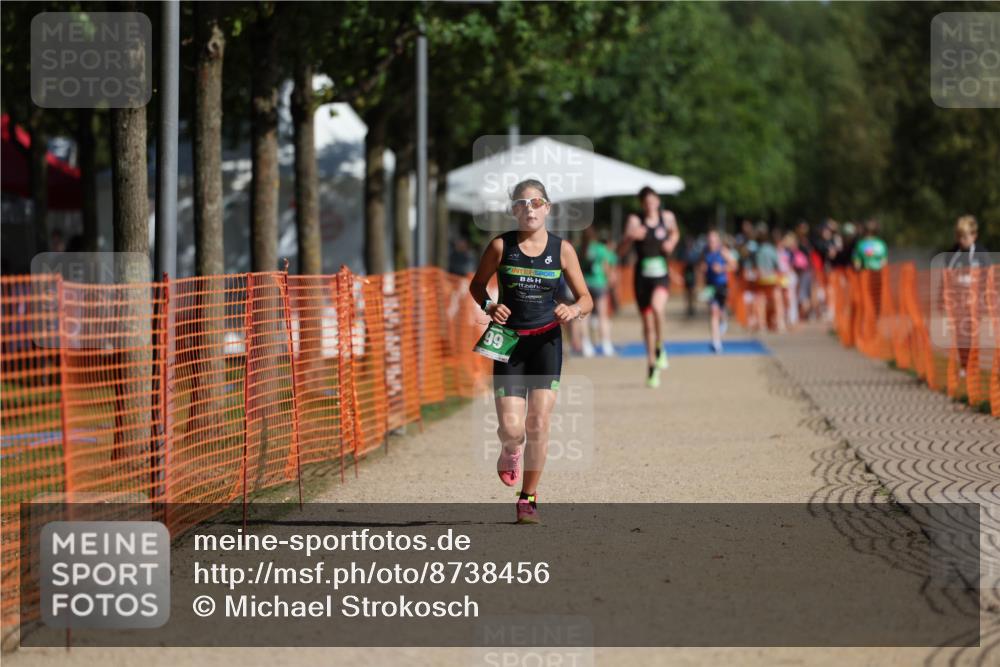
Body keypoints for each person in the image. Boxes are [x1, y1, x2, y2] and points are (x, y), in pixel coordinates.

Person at [469, 179, 593, 524]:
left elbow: (587, 298)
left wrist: (574, 310)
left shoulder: (562, 249)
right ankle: (510, 448)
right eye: (522, 203)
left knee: (538, 422)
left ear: (547, 208)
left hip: (546, 342)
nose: (530, 209)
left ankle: (528, 498)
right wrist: (490, 306)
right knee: (512, 429)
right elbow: (477, 285)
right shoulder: (500, 246)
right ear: (513, 210)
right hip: (509, 341)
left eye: (536, 202)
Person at [618, 186, 680, 388]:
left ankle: (661, 348)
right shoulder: (635, 221)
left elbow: (675, 233)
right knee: (647, 322)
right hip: (641, 277)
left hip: (661, 274)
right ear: (642, 204)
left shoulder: (667, 217)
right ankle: (652, 366)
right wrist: (630, 237)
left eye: (653, 200)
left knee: (657, 308)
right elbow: (621, 250)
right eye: (646, 202)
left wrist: (671, 241)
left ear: (658, 201)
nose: (650, 205)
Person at [945, 215, 992, 380]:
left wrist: (986, 300)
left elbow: (988, 278)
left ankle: (973, 364)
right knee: (961, 335)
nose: (961, 240)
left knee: (973, 335)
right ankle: (964, 365)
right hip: (958, 301)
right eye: (959, 236)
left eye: (965, 236)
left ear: (974, 235)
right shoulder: (952, 254)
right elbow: (946, 277)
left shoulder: (982, 254)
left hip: (975, 301)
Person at [579, 227, 617, 357]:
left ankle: (586, 344)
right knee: (602, 316)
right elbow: (606, 267)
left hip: (585, 284)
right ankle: (605, 344)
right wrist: (610, 280)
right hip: (599, 283)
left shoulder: (581, 249)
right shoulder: (601, 249)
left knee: (584, 316)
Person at [701, 230, 737, 353]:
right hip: (710, 286)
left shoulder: (722, 251)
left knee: (720, 311)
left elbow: (734, 265)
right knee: (713, 311)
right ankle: (716, 343)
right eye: (709, 240)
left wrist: (721, 268)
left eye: (714, 241)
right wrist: (703, 269)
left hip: (722, 285)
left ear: (718, 241)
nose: (711, 243)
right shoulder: (705, 251)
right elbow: (701, 265)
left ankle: (724, 320)